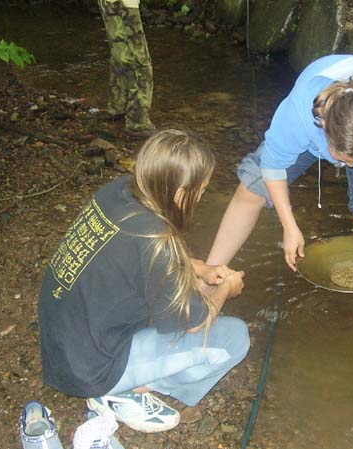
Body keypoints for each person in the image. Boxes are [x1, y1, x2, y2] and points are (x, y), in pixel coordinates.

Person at [38, 130, 249, 433]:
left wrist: (199, 268)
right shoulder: (157, 241)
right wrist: (227, 288)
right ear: (180, 193)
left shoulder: (119, 191)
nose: (201, 197)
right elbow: (193, 323)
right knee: (235, 337)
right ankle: (120, 392)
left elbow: (136, 254)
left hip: (62, 341)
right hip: (91, 368)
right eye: (200, 191)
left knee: (175, 297)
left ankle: (125, 381)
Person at [206, 54, 353, 272]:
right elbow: (273, 168)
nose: (350, 167)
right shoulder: (298, 115)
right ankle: (211, 271)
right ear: (323, 124)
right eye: (343, 160)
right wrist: (289, 226)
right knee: (250, 190)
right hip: (309, 135)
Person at [97, 0, 158, 138]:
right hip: (124, 4)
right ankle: (138, 122)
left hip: (111, 3)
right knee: (139, 64)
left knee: (121, 54)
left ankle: (118, 107)